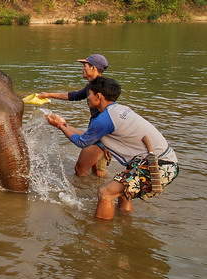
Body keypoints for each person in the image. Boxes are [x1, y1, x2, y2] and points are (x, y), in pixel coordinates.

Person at [46, 76, 178, 220]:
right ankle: (124, 223)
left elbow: (82, 142)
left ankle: (99, 236)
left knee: (105, 193)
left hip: (158, 165)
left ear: (99, 96)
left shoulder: (104, 119)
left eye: (89, 94)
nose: (87, 98)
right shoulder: (119, 110)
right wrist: (64, 125)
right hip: (166, 161)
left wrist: (59, 126)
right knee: (123, 193)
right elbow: (89, 136)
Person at [37, 53, 111, 177]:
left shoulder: (101, 88)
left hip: (101, 136)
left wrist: (108, 143)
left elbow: (109, 115)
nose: (83, 68)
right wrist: (48, 95)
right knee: (98, 171)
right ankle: (95, 190)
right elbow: (74, 96)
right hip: (100, 134)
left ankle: (86, 194)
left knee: (80, 170)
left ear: (93, 68)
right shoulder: (93, 86)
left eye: (85, 65)